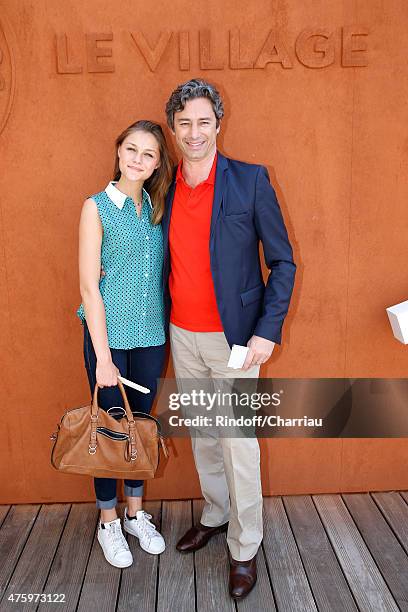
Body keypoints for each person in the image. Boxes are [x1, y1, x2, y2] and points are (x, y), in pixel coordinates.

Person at [162, 79, 296, 599]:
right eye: (184, 123)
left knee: (238, 443)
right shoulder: (165, 188)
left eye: (203, 121)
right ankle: (216, 515)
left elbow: (282, 262)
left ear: (218, 123)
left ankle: (245, 546)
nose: (194, 133)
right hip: (182, 336)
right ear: (173, 129)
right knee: (204, 436)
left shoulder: (250, 180)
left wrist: (267, 330)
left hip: (236, 340)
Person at [77, 120, 173, 568]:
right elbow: (89, 289)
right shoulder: (96, 207)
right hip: (108, 338)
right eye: (131, 149)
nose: (137, 158)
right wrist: (101, 358)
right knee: (110, 428)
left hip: (151, 335)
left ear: (157, 163)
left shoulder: (156, 207)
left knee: (141, 427)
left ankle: (135, 513)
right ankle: (109, 522)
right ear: (118, 152)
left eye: (148, 153)